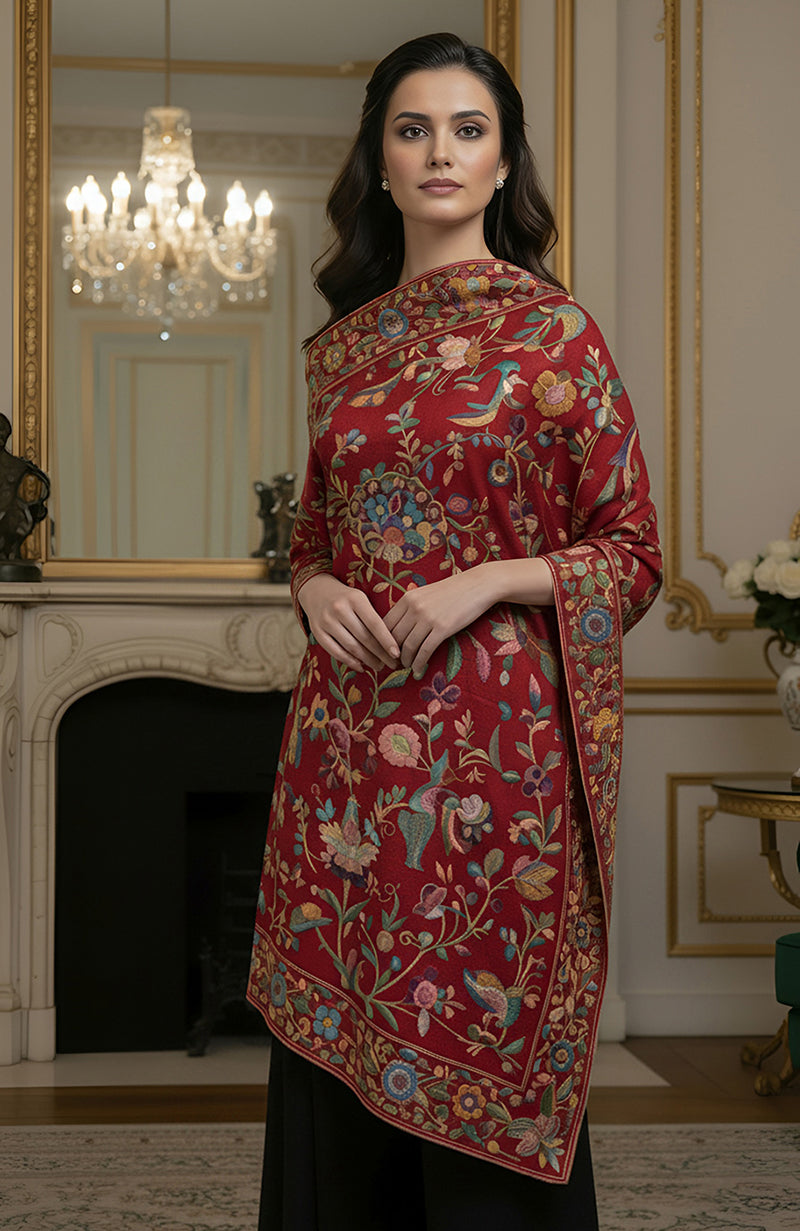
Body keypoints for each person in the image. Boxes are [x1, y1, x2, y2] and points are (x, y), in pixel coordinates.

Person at [247, 31, 662, 1231]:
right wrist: (313, 590)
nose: (440, 151)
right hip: (344, 753)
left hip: (493, 768)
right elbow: (314, 536)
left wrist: (482, 583)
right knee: (341, 1053)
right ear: (379, 161)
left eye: (467, 129)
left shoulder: (555, 336)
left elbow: (632, 555)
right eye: (413, 128)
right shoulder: (343, 353)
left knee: (475, 1014)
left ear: (502, 161)